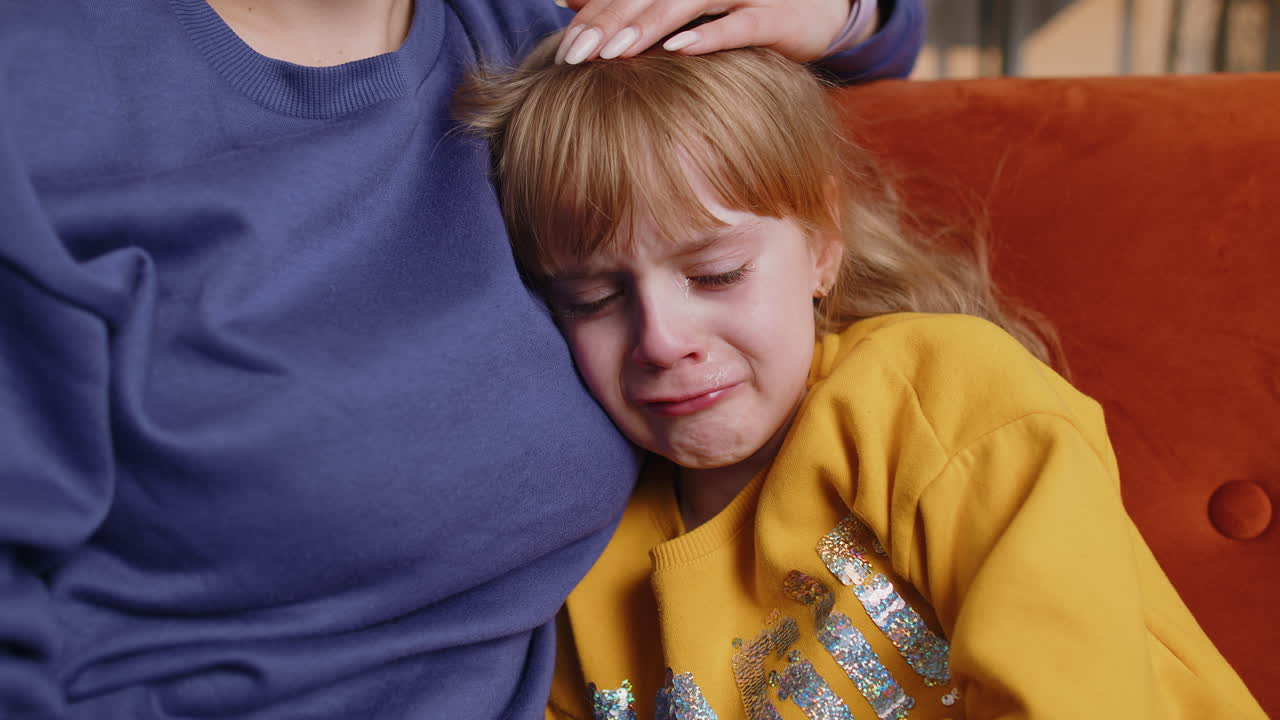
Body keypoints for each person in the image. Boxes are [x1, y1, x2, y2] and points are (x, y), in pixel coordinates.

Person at [0, 0, 925, 718]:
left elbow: (879, 42)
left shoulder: (543, 45)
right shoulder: (45, 87)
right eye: (594, 297)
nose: (659, 337)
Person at [457, 39, 1269, 720]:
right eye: (594, 298)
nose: (663, 341)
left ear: (820, 243)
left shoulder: (942, 394)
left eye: (716, 276)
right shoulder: (581, 548)